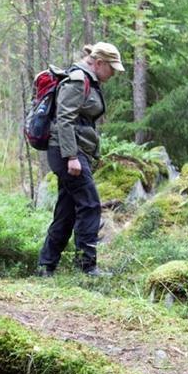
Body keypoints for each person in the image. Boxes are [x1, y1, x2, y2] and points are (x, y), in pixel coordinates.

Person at [37, 42, 124, 277]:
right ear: (98, 63)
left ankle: (46, 266)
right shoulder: (78, 80)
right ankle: (87, 267)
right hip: (66, 153)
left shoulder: (87, 78)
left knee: (66, 212)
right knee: (90, 204)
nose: (113, 73)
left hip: (73, 152)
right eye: (112, 68)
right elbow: (64, 119)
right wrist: (72, 157)